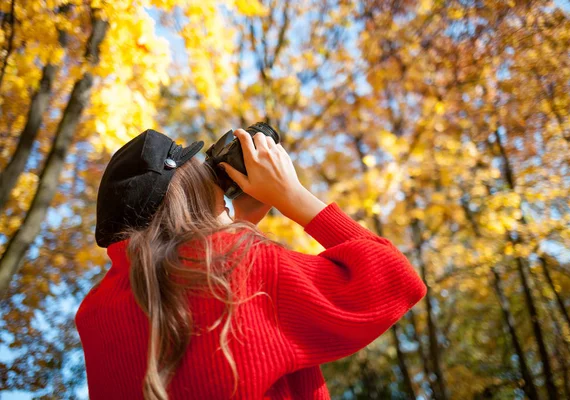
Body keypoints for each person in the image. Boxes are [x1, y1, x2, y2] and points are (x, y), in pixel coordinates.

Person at [75, 127, 427, 400]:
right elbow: (396, 278)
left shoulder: (93, 314)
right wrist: (291, 196)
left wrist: (233, 224)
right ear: (194, 192)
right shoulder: (243, 263)